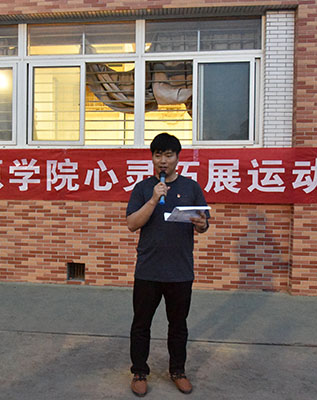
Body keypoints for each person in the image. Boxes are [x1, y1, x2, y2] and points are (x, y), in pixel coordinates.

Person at [126, 132, 210, 397]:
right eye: (158, 155)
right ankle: (139, 372)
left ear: (177, 158)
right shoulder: (143, 188)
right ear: (152, 158)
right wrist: (153, 199)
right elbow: (132, 224)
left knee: (178, 325)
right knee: (141, 324)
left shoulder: (191, 187)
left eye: (169, 155)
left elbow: (203, 224)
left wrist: (201, 224)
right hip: (148, 270)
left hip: (180, 271)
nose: (163, 161)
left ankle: (178, 371)